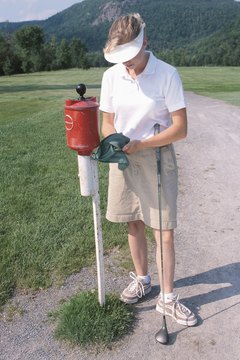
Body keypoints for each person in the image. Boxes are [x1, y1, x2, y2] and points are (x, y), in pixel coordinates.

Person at [99, 13, 197, 326]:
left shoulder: (167, 74)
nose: (127, 64)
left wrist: (143, 143)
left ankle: (167, 299)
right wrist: (113, 141)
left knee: (164, 232)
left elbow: (180, 129)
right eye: (121, 58)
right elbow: (107, 122)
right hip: (124, 157)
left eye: (131, 56)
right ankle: (143, 280)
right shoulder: (112, 76)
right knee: (133, 223)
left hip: (156, 155)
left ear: (145, 42)